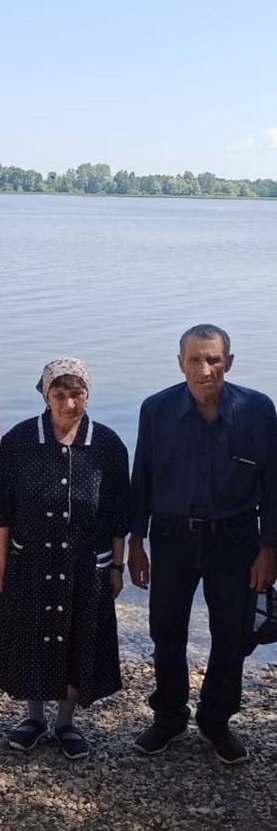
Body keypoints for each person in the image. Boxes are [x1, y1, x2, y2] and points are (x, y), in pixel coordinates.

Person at [129, 324, 276, 765]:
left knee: (230, 634)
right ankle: (169, 717)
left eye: (213, 359)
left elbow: (273, 485)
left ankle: (216, 721)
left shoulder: (258, 410)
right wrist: (136, 542)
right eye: (195, 359)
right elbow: (143, 479)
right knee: (166, 631)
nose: (205, 368)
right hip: (172, 537)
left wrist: (270, 548)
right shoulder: (155, 409)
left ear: (228, 362)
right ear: (180, 364)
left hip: (236, 539)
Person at [0, 359, 130, 760]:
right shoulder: (19, 441)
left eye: (77, 394)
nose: (69, 403)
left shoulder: (107, 444)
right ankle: (33, 719)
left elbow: (120, 513)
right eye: (60, 395)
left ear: (88, 394)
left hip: (87, 566)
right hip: (30, 560)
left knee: (77, 640)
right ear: (46, 396)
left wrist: (117, 567)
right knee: (32, 637)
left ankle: (66, 723)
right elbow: (2, 509)